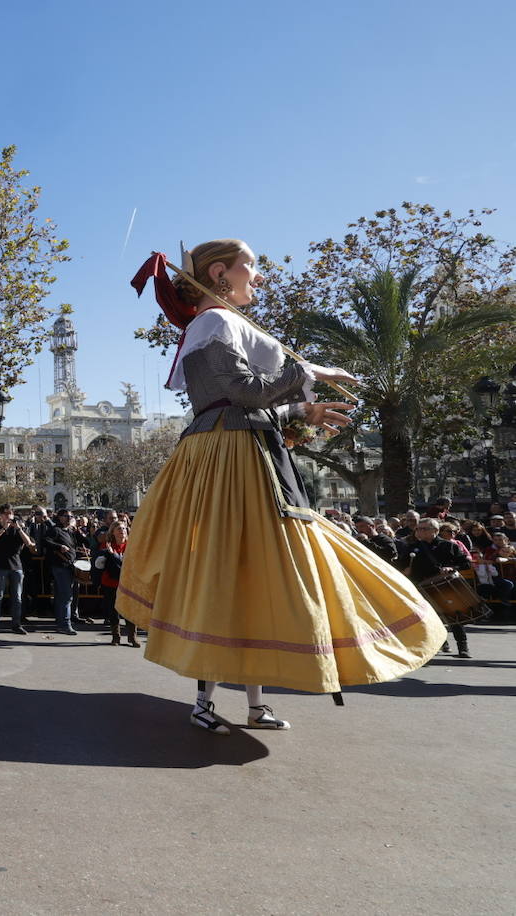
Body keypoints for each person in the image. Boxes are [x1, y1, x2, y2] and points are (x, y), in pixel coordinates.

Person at [122, 240, 445, 733]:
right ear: (219, 272)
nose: (260, 276)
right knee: (228, 569)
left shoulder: (218, 325)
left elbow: (247, 405)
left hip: (245, 450)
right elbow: (245, 395)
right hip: (231, 457)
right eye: (251, 266)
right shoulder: (214, 323)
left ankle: (252, 703)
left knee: (255, 574)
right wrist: (306, 373)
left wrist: (302, 409)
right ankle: (205, 701)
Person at [403, 518, 474, 657]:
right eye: (418, 529)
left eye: (424, 529)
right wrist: (404, 570)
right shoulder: (412, 547)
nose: (419, 531)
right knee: (430, 618)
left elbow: (466, 563)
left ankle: (463, 647)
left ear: (435, 531)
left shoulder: (448, 546)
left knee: (455, 616)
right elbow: (401, 564)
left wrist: (452, 568)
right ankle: (441, 643)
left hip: (446, 585)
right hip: (422, 587)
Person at [0, 505, 34, 636]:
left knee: (17, 598)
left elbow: (29, 543)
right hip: (0, 566)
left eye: (10, 513)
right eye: (6, 513)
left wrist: (18, 529)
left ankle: (16, 624)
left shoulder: (19, 527)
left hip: (16, 567)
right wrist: (4, 528)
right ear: (1, 515)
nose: (8, 516)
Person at [40, 509, 81, 635]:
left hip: (68, 566)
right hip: (60, 566)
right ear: (60, 517)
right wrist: (59, 547)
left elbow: (73, 546)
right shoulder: (55, 529)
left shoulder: (69, 531)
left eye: (71, 516)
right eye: (66, 516)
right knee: (66, 596)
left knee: (61, 596)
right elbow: (45, 541)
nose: (69, 518)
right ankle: (64, 624)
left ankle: (61, 622)